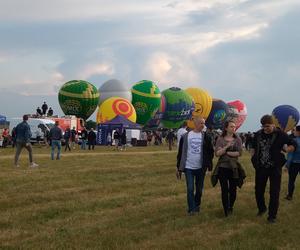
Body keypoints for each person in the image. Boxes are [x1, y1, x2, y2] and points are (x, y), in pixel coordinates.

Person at [250, 114, 296, 223]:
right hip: (261, 167)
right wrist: (253, 155)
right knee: (258, 190)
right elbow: (252, 146)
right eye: (263, 126)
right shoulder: (258, 134)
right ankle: (262, 209)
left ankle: (272, 216)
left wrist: (287, 149)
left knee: (274, 192)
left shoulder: (281, 134)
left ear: (273, 124)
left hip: (275, 168)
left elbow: (293, 145)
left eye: (268, 126)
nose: (265, 129)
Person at [176, 117, 214, 215]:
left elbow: (210, 152)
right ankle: (191, 209)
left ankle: (197, 205)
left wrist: (209, 166)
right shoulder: (185, 136)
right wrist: (178, 167)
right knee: (190, 188)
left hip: (201, 167)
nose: (203, 125)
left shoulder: (206, 136)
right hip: (188, 167)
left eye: (204, 123)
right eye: (201, 123)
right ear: (195, 124)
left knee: (199, 190)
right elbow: (180, 153)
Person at [212, 120, 245, 217]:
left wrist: (227, 153)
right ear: (226, 128)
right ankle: (226, 209)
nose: (233, 128)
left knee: (233, 190)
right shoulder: (220, 139)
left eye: (234, 126)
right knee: (224, 189)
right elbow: (217, 154)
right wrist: (226, 147)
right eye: (231, 126)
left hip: (233, 168)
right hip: (223, 167)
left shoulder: (238, 139)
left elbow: (240, 153)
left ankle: (231, 206)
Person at [285, 125, 300, 200]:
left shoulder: (294, 141)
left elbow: (290, 155)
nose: (293, 131)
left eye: (295, 130)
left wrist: (287, 165)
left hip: (294, 163)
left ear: (298, 132)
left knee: (291, 180)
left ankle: (289, 196)